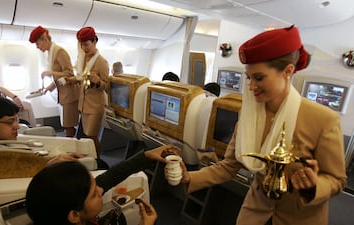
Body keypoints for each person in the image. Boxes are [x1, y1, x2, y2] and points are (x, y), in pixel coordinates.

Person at [166, 26, 346, 224]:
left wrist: (314, 185)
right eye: (249, 77)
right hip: (254, 214)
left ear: (288, 71)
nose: (251, 87)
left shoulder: (323, 119)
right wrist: (189, 178)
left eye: (259, 78)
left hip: (300, 217)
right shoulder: (249, 113)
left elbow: (337, 180)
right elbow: (228, 166)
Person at [26, 145, 179, 225]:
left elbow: (108, 178)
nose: (100, 190)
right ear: (74, 215)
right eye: (94, 194)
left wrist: (147, 156)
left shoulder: (66, 203)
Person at [29, 26, 80, 137]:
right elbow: (59, 77)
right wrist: (48, 88)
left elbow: (69, 74)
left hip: (70, 96)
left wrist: (51, 73)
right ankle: (71, 145)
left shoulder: (59, 51)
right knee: (66, 125)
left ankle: (71, 147)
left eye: (38, 44)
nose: (37, 47)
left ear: (45, 40)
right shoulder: (51, 53)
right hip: (63, 95)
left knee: (68, 125)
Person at [67, 26, 109, 157]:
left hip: (96, 106)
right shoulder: (83, 59)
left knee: (91, 136)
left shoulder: (102, 62)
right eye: (82, 45)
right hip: (83, 104)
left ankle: (97, 160)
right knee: (86, 135)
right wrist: (72, 80)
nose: (84, 48)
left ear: (94, 41)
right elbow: (82, 78)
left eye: (86, 44)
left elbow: (106, 87)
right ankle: (88, 158)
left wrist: (97, 81)